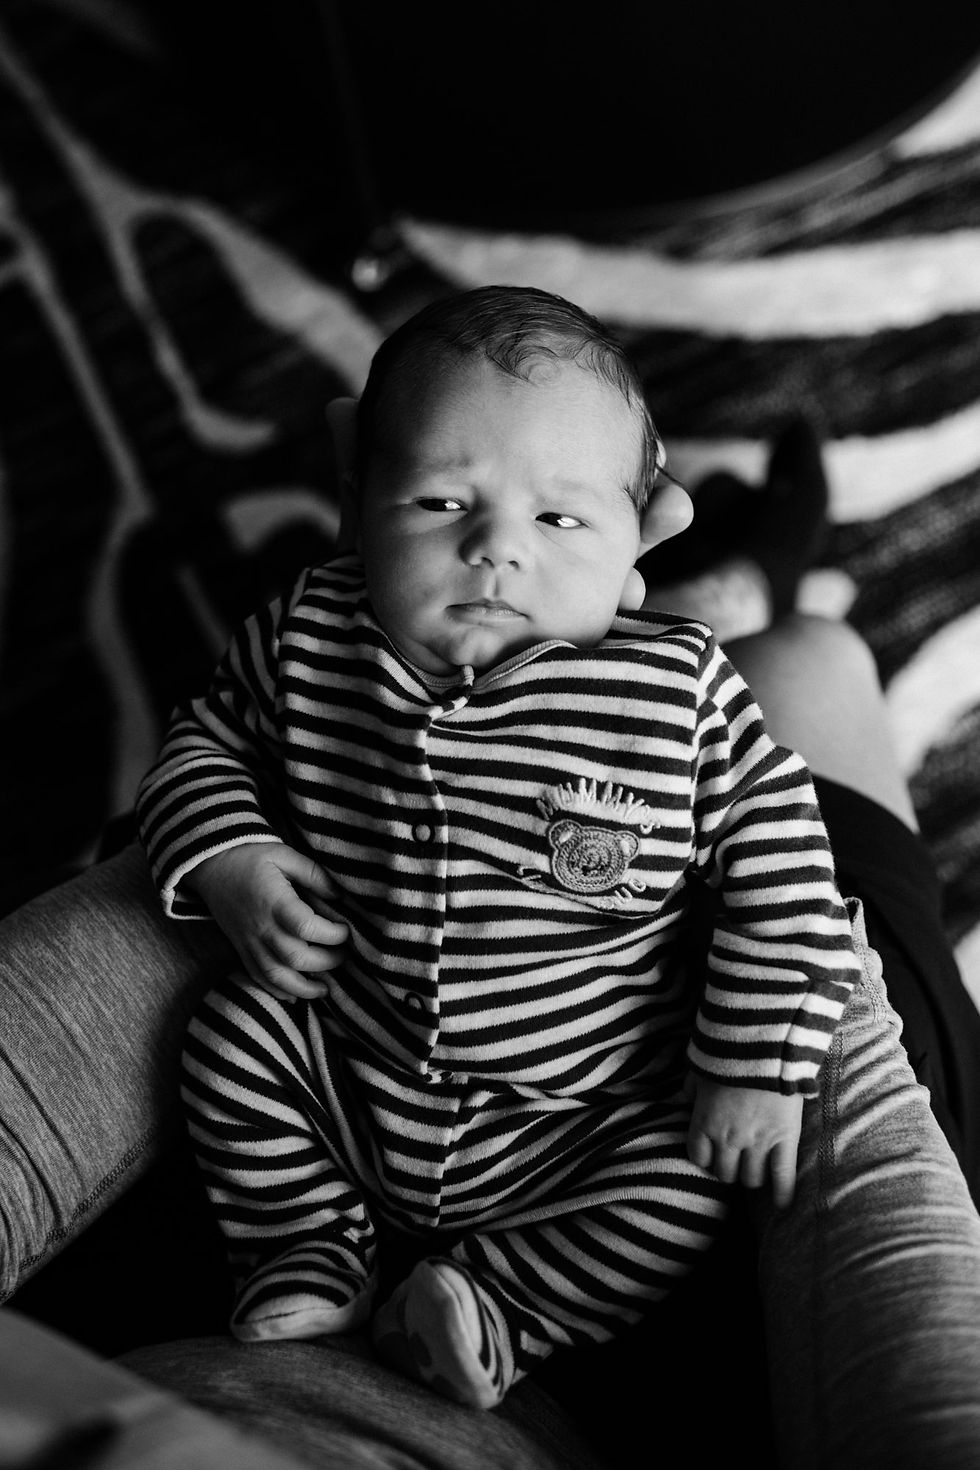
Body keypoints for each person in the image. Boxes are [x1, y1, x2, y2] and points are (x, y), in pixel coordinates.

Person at [4, 289, 980, 1466]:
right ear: (358, 502)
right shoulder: (310, 635)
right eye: (439, 501)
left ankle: (496, 1305)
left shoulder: (680, 698)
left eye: (561, 520)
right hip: (346, 1067)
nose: (494, 547)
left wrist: (754, 1062)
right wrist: (229, 860)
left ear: (630, 535)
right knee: (230, 1040)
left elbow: (782, 864)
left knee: (688, 1183)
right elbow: (205, 741)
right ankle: (309, 1244)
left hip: (581, 1116)